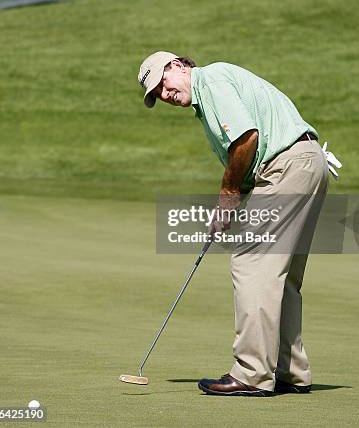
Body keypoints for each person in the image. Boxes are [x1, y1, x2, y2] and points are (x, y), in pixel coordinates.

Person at [138, 51, 336, 397]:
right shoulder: (211, 92)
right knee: (283, 275)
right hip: (308, 163)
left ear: (178, 66)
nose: (164, 95)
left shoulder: (211, 79)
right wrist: (229, 206)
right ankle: (290, 371)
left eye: (162, 83)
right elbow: (246, 160)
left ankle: (252, 373)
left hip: (286, 167)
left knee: (251, 263)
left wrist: (228, 192)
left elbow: (247, 139)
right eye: (157, 95)